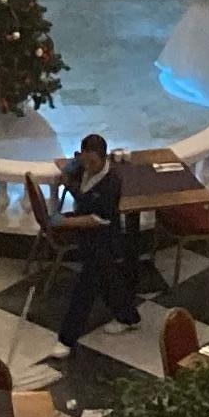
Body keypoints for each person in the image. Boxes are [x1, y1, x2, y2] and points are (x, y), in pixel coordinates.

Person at [51, 132, 140, 356]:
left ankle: (66, 340)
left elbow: (98, 219)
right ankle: (128, 317)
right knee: (109, 280)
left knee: (86, 288)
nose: (89, 167)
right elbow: (72, 178)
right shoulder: (82, 167)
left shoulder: (111, 183)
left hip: (103, 238)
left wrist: (65, 222)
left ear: (103, 158)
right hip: (87, 235)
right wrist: (68, 174)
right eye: (85, 161)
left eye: (93, 162)